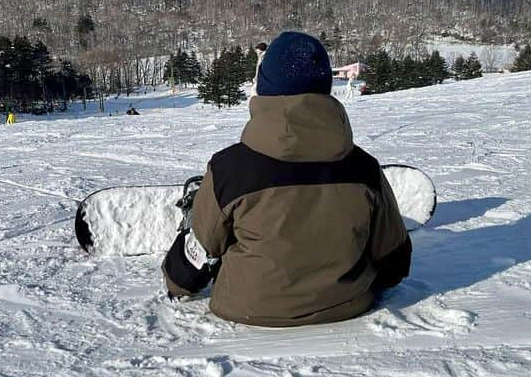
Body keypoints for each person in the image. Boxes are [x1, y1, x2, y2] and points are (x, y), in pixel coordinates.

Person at [162, 31, 412, 327]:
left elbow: (189, 269)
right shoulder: (364, 168)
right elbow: (394, 264)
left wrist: (176, 278)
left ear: (265, 88)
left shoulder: (229, 170)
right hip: (347, 306)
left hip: (245, 311)